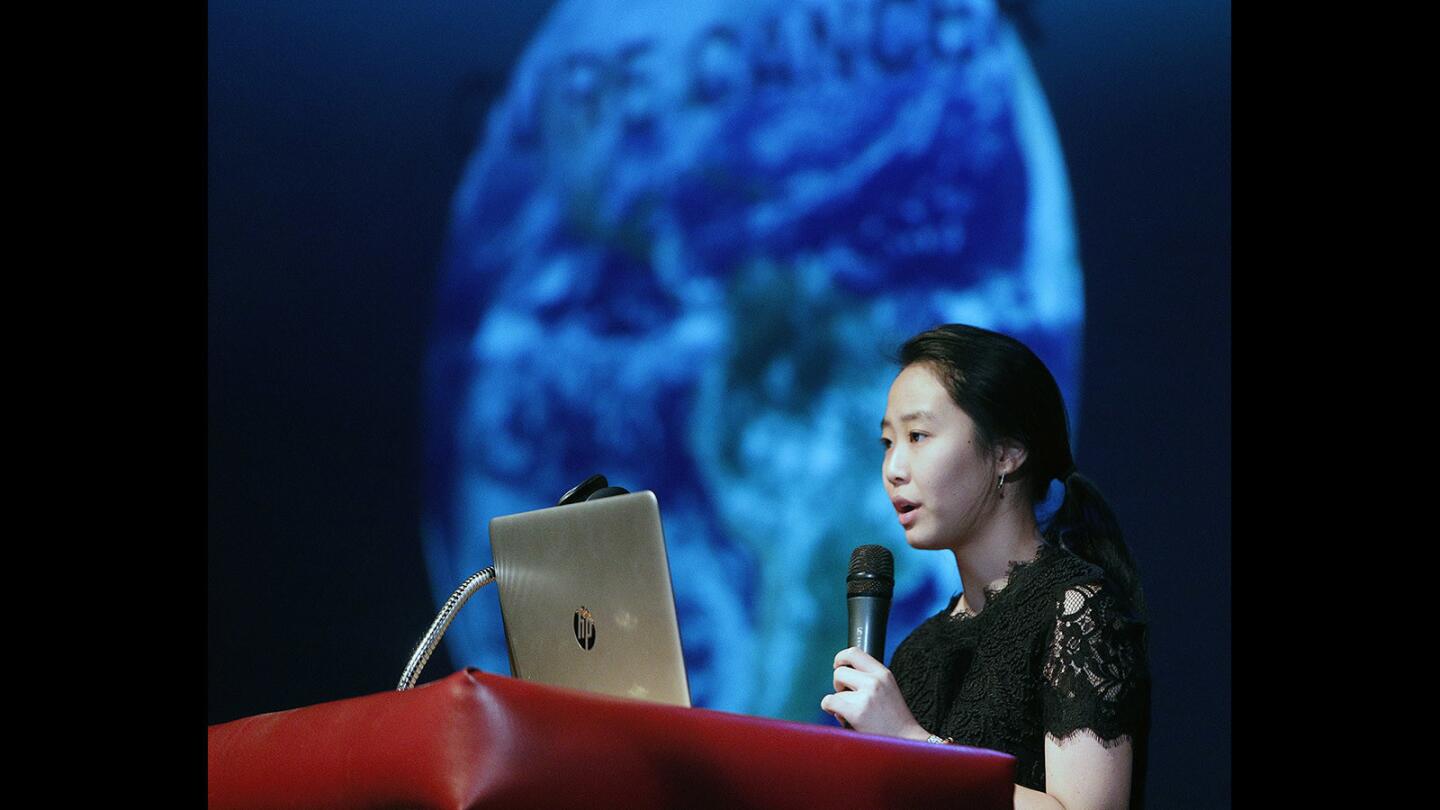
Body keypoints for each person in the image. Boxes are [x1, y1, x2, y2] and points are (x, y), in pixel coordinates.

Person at [820, 324, 1149, 810]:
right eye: (888, 442)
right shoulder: (920, 651)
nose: (893, 468)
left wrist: (912, 742)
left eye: (917, 435)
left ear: (1007, 453)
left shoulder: (1077, 613)